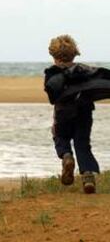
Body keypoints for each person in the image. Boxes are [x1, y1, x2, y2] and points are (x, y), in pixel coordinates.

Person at [44, 35, 110, 194]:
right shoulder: (84, 70)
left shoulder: (53, 73)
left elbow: (53, 98)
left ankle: (66, 157)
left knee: (60, 136)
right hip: (85, 112)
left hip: (63, 113)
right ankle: (88, 178)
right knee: (82, 144)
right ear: (74, 54)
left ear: (53, 56)